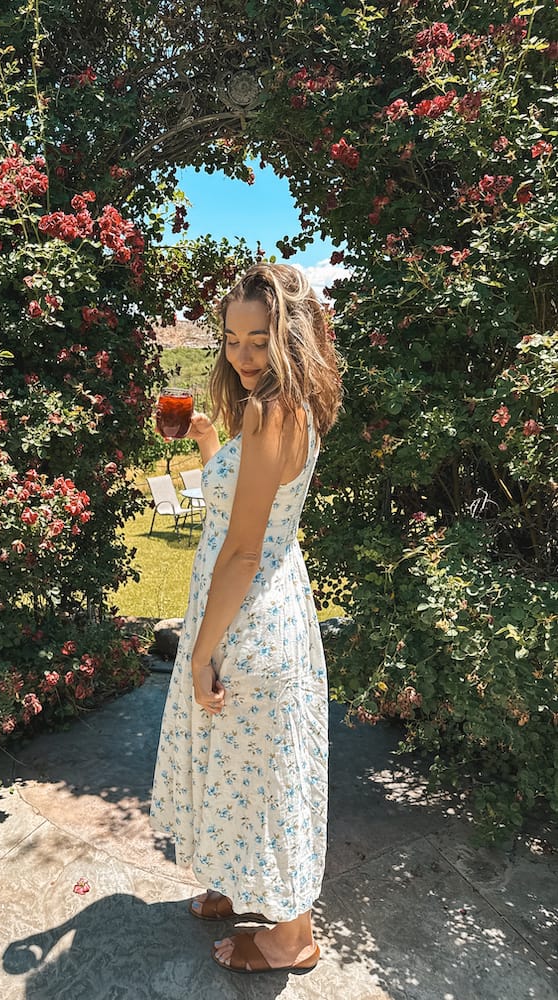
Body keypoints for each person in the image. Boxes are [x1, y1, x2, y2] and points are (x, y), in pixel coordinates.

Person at [149, 262, 343, 975]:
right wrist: (208, 442)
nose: (243, 355)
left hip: (249, 615)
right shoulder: (275, 409)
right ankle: (239, 883)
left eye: (259, 340)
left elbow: (241, 548)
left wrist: (201, 653)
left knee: (265, 775)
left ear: (291, 336)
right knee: (244, 764)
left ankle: (292, 937)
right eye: (231, 340)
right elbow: (239, 500)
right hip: (261, 608)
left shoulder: (272, 410)